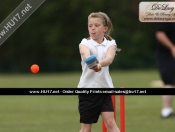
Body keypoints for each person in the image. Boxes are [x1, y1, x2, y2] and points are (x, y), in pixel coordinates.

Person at [77, 12, 120, 132]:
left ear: (105, 28)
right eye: (90, 26)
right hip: (87, 90)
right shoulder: (85, 42)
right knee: (86, 128)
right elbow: (85, 54)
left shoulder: (111, 43)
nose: (93, 28)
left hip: (105, 89)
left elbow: (109, 58)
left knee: (111, 123)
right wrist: (91, 62)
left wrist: (100, 64)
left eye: (96, 25)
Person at [155, 6, 175, 118]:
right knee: (169, 81)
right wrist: (172, 47)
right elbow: (160, 34)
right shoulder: (164, 14)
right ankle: (166, 110)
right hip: (166, 54)